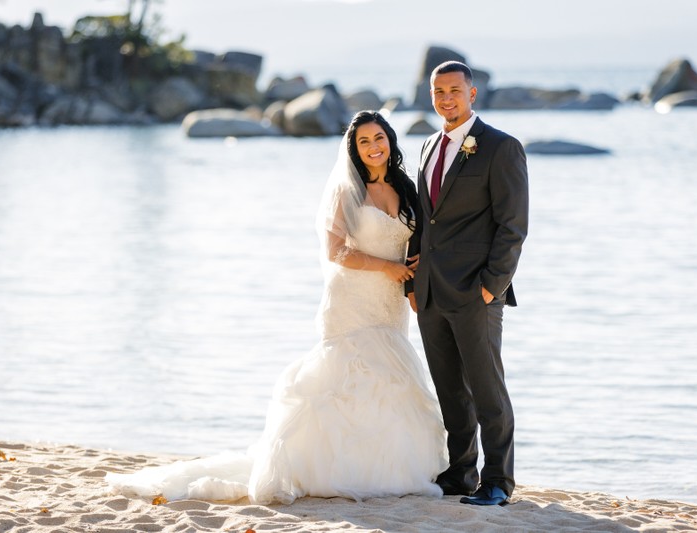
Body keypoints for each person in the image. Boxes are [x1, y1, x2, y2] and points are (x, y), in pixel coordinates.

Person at [106, 111, 447, 505]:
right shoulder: (347, 191)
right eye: (364, 142)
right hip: (353, 297)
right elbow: (336, 250)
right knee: (344, 382)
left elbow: (417, 242)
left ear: (390, 139)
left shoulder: (406, 188)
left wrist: (414, 278)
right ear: (354, 150)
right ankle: (330, 468)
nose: (374, 147)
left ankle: (387, 466)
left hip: (390, 301)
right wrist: (387, 267)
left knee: (389, 380)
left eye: (379, 138)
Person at [405, 61, 529, 507]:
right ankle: (461, 472)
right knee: (450, 390)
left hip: (477, 292)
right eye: (438, 92)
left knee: (487, 389)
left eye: (454, 90)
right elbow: (424, 222)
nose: (445, 99)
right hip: (431, 292)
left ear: (472, 94)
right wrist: (413, 283)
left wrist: (491, 287)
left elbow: (512, 226)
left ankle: (497, 481)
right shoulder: (426, 147)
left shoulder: (501, 147)